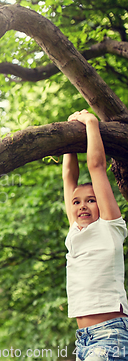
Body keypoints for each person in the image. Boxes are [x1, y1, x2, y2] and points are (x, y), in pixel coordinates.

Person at [62, 109, 128, 361]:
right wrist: (67, 142)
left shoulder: (110, 226)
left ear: (101, 204)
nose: (82, 206)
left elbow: (96, 166)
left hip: (111, 335)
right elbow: (69, 176)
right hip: (84, 339)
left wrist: (91, 122)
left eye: (91, 200)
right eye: (76, 202)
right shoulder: (75, 232)